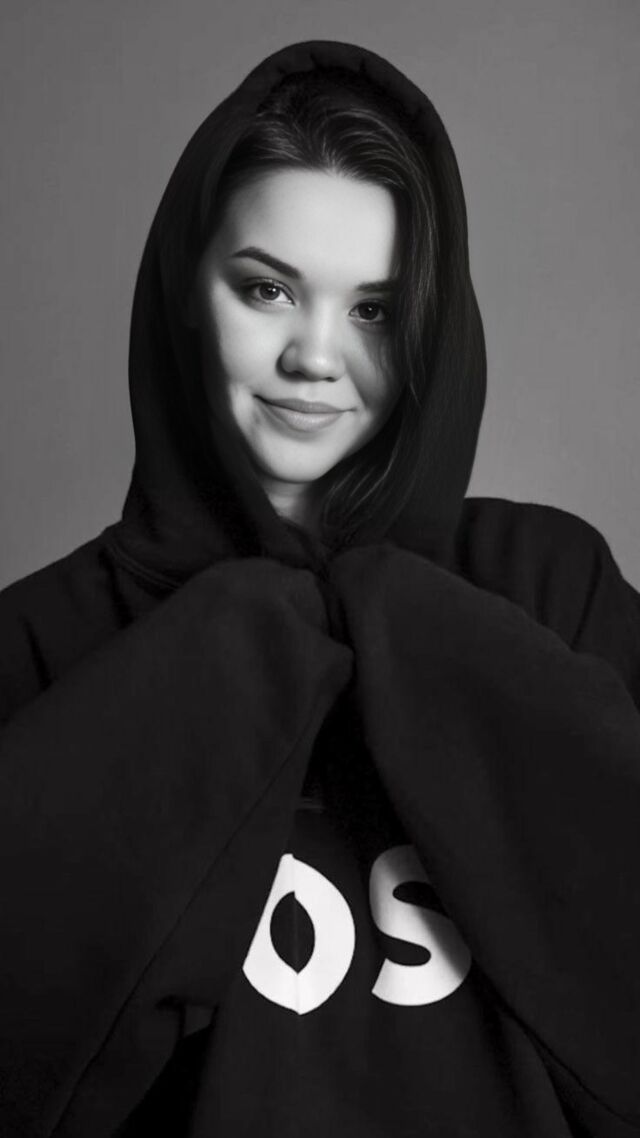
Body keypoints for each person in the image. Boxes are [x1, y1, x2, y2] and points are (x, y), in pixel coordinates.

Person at [0, 38, 639, 1138]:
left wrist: (409, 620)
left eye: (374, 310)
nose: (314, 356)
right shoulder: (44, 639)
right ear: (185, 290)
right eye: (267, 289)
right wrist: (229, 652)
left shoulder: (548, 587)